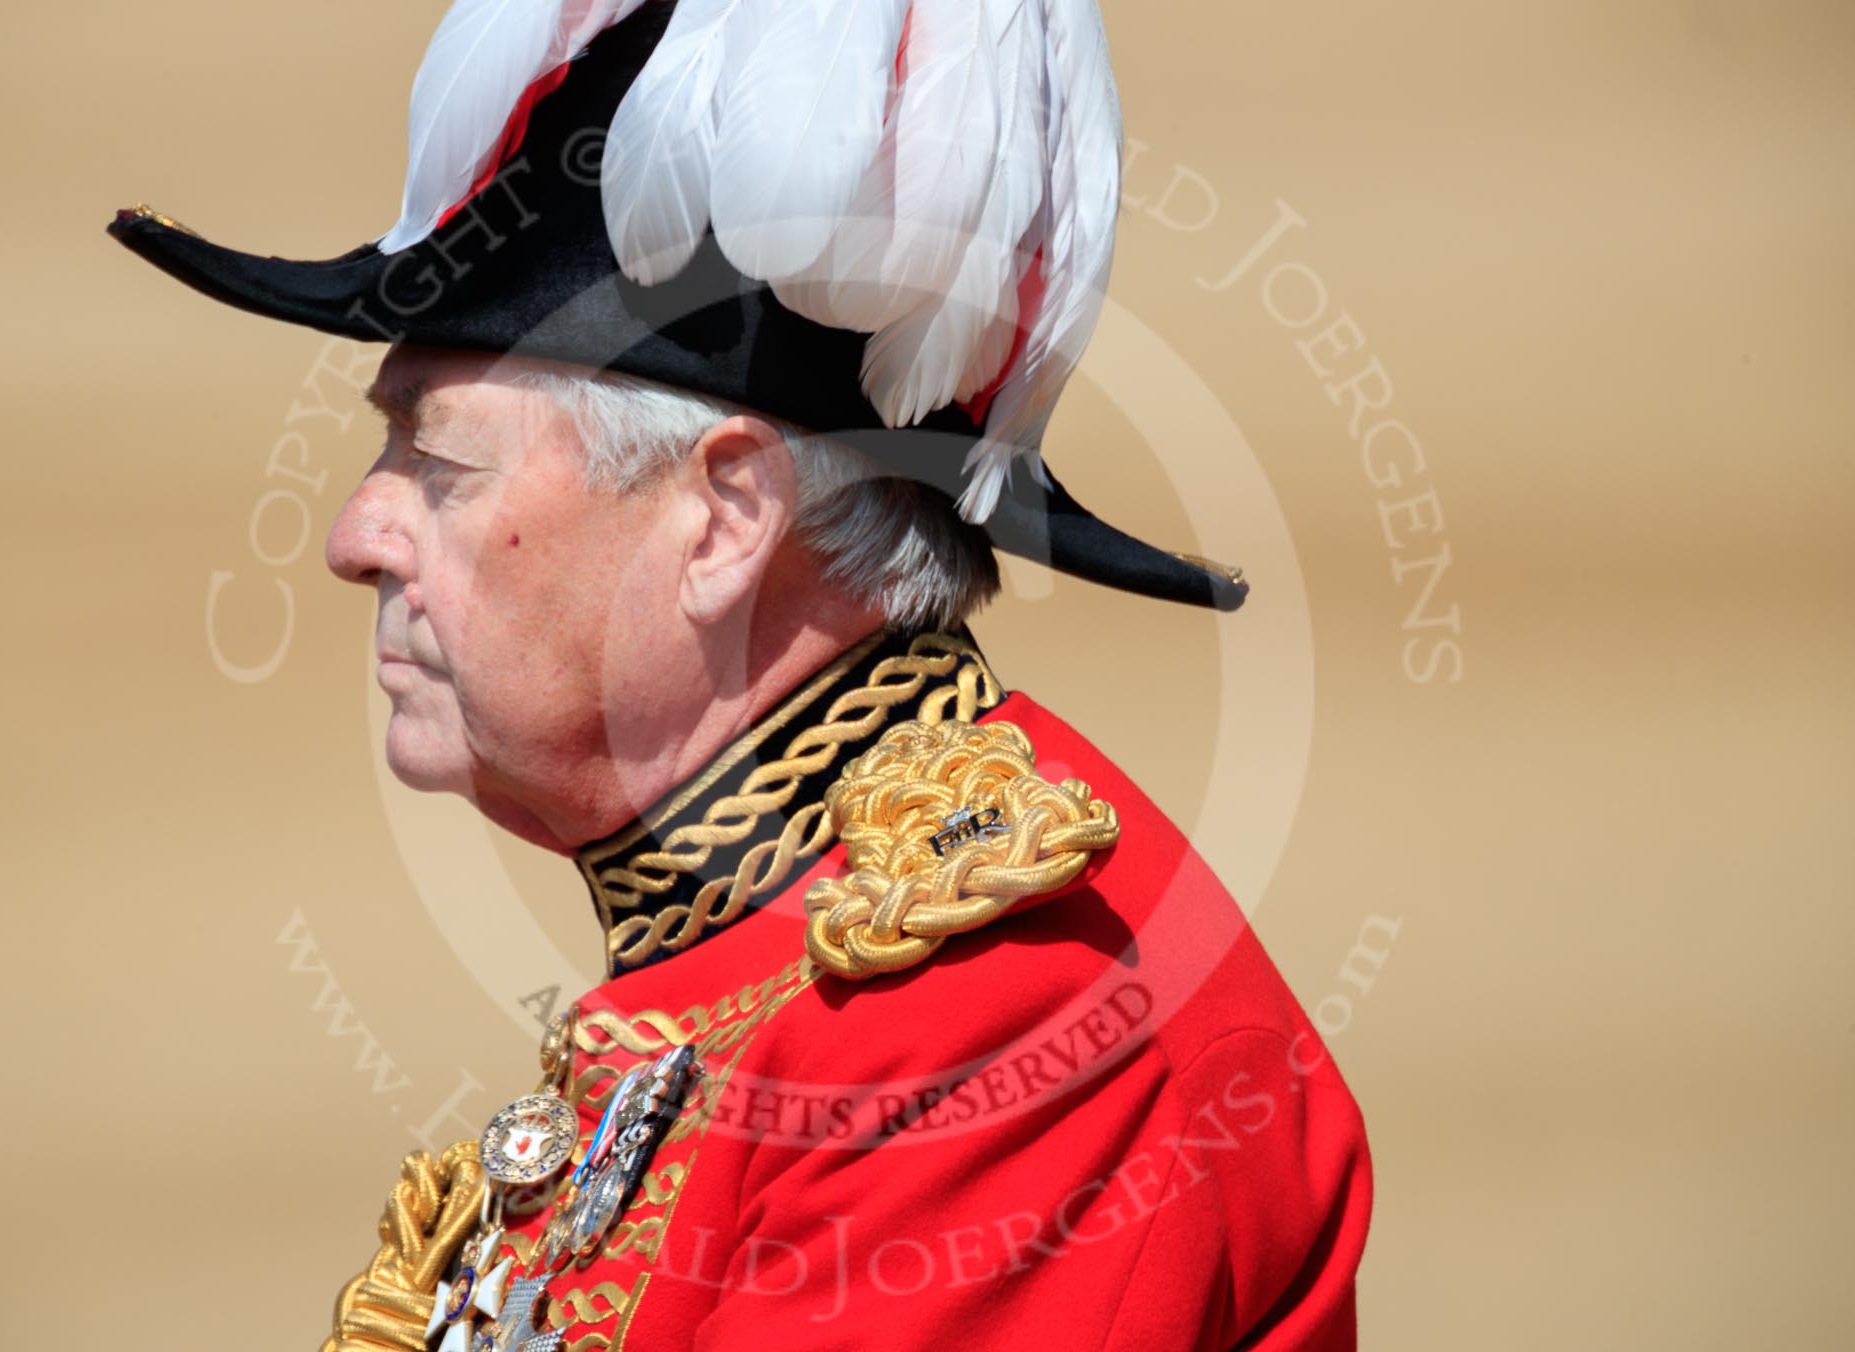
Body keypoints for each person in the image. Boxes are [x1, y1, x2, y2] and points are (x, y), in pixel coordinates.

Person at [107, 2, 1372, 1348]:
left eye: (441, 463)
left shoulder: (1005, 1033)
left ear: (724, 519)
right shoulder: (787, 945)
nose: (356, 538)